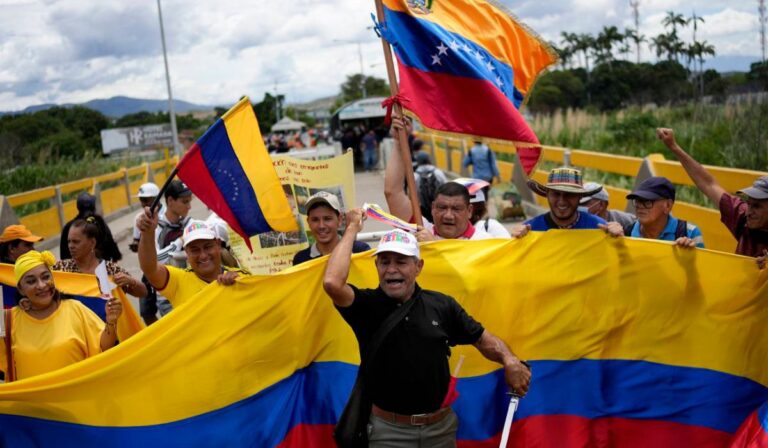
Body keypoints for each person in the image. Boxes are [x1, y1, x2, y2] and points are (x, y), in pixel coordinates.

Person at [323, 213, 531, 446]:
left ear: (418, 266)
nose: (391, 269)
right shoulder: (366, 305)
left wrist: (509, 359)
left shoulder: (442, 305)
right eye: (384, 262)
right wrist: (352, 228)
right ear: (377, 266)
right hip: (388, 434)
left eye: (401, 261)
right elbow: (332, 282)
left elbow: (482, 339)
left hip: (440, 431)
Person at [1, 251, 121, 381]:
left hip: (75, 398)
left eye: (46, 277)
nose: (41, 285)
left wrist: (111, 321)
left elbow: (103, 347)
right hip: (30, 401)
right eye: (31, 281)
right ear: (20, 289)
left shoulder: (75, 308)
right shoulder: (8, 320)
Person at [657, 128, 767, 266]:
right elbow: (708, 184)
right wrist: (674, 147)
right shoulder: (742, 217)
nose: (749, 212)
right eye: (749, 204)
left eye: (757, 206)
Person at [385, 117, 496, 242]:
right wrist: (399, 141)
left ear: (469, 211)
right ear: (432, 208)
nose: (448, 216)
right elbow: (393, 193)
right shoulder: (421, 231)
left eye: (456, 209)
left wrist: (433, 246)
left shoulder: (485, 243)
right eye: (442, 208)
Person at [137, 216, 243, 309]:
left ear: (218, 245)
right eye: (195, 250)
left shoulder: (240, 277)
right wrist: (147, 233)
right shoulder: (178, 281)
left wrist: (240, 283)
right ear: (186, 252)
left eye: (208, 247)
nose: (203, 255)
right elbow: (150, 269)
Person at [53, 216, 148, 298]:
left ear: (92, 243)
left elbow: (143, 292)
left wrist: (130, 281)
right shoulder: (61, 269)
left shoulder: (109, 270)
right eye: (69, 241)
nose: (70, 246)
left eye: (76, 242)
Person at [610, 176, 704, 248]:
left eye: (647, 202)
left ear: (668, 206)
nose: (640, 207)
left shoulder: (690, 233)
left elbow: (704, 269)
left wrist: (690, 256)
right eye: (638, 201)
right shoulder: (627, 233)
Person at [292, 191, 370, 265]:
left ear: (339, 220)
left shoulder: (360, 250)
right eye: (315, 220)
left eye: (327, 219)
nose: (321, 226)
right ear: (308, 222)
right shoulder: (301, 259)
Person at [525, 167, 608, 231]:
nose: (562, 201)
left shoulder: (599, 227)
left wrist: (616, 238)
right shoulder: (530, 229)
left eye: (570, 194)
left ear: (580, 197)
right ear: (547, 195)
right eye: (556, 194)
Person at [60, 192, 121, 262]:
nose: (71, 246)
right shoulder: (99, 223)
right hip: (101, 269)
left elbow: (64, 257)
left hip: (75, 271)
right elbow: (112, 248)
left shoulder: (69, 227)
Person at [413, 151, 448, 223]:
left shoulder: (415, 176)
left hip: (423, 208)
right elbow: (447, 186)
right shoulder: (438, 172)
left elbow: (413, 194)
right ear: (429, 160)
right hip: (439, 205)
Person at [129, 182, 161, 253]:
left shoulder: (168, 214)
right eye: (141, 200)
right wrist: (135, 245)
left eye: (146, 200)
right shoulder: (139, 218)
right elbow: (136, 239)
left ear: (156, 198)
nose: (143, 204)